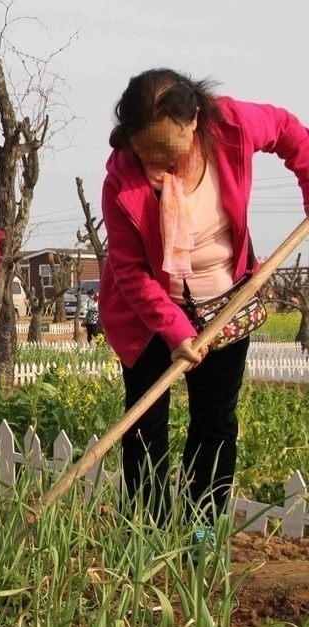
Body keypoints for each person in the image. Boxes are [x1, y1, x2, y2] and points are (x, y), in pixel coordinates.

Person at [101, 68, 309, 534]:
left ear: (193, 121)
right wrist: (175, 331)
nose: (156, 161)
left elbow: (290, 132)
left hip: (225, 302)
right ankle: (145, 531)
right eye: (144, 148)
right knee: (144, 426)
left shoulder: (232, 127)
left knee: (215, 424)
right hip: (148, 316)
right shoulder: (122, 181)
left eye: (166, 148)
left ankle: (202, 530)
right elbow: (131, 273)